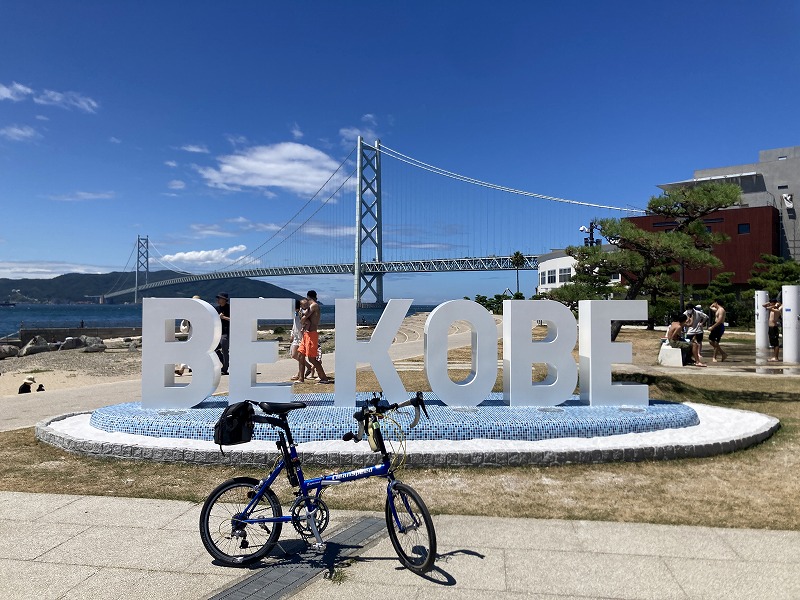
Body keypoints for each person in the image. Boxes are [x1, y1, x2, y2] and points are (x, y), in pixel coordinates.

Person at [299, 290, 332, 384]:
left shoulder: (314, 306)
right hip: (307, 334)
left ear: (308, 297)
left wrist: (302, 317)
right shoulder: (311, 306)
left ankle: (323, 378)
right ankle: (301, 378)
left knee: (311, 358)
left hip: (311, 334)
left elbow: (303, 319)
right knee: (300, 355)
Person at [290, 298, 314, 381]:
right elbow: (294, 325)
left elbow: (307, 322)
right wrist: (292, 334)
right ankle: (308, 366)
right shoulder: (295, 314)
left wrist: (304, 330)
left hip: (302, 337)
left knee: (300, 356)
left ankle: (300, 374)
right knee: (294, 355)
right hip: (296, 337)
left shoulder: (301, 313)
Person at [215, 292, 231, 375]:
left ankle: (225, 368)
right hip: (219, 332)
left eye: (220, 298)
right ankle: (225, 363)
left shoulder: (230, 308)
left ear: (224, 300)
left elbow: (235, 319)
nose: (218, 300)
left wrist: (223, 317)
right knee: (214, 348)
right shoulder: (217, 309)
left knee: (225, 350)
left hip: (227, 333)